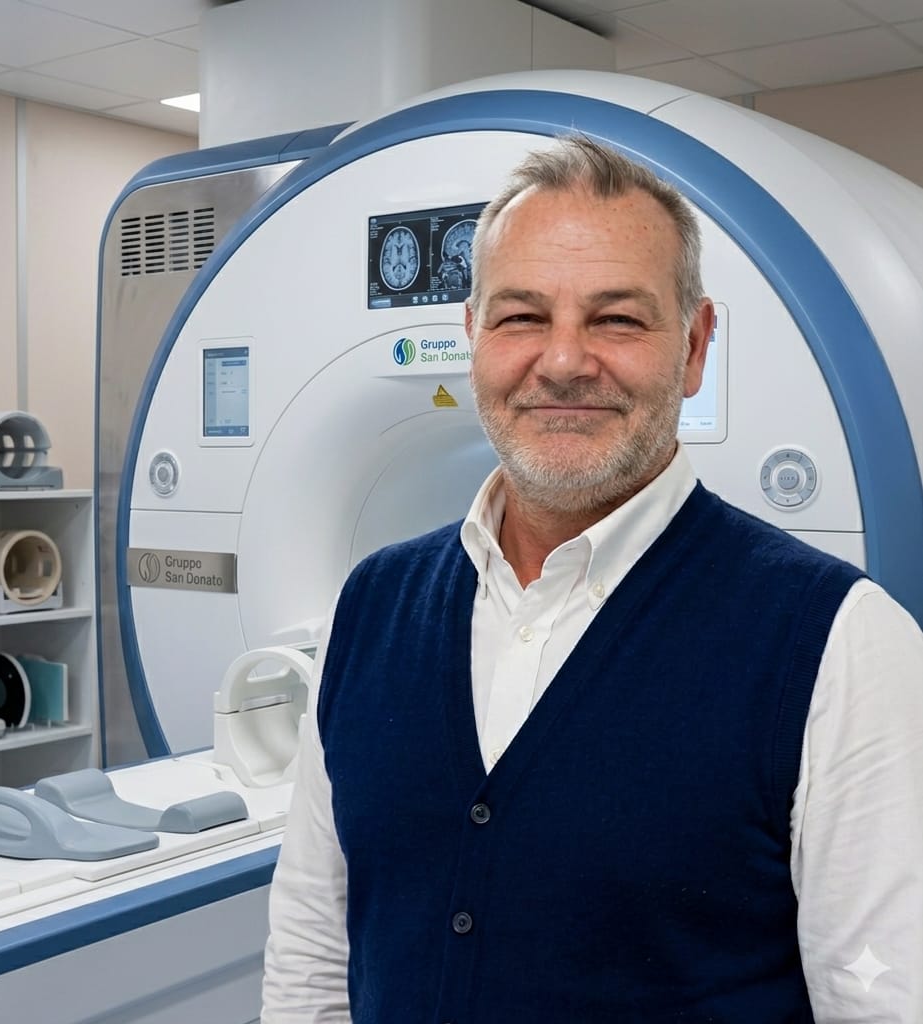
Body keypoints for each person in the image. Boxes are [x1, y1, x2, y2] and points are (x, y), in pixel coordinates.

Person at [262, 135, 923, 1022]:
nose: (564, 361)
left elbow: (882, 1002)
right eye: (521, 317)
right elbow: (313, 952)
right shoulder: (371, 606)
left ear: (694, 346)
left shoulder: (837, 641)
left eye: (616, 319)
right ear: (473, 335)